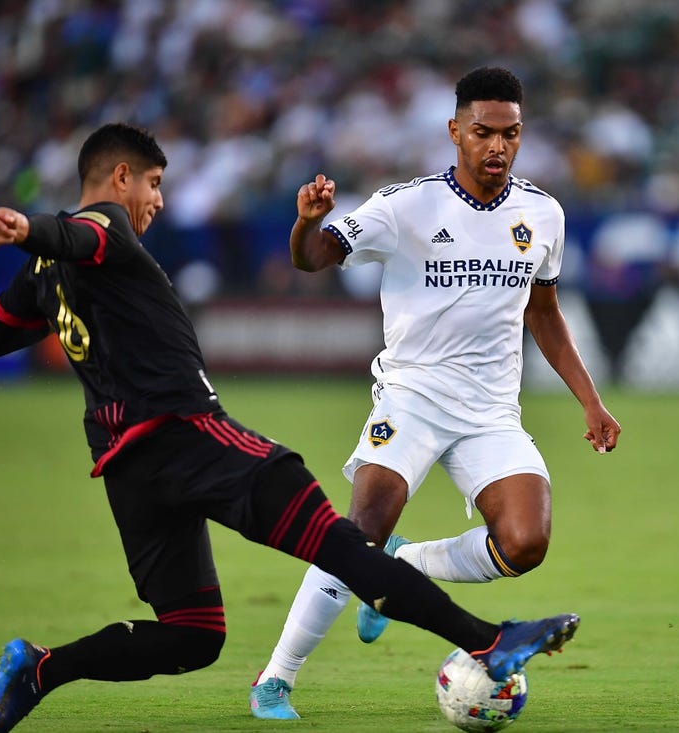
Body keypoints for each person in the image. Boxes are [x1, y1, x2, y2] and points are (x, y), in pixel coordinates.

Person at [0, 122, 580, 733]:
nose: (157, 200)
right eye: (153, 184)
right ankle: (489, 641)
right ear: (121, 177)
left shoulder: (48, 271)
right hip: (188, 434)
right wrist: (28, 229)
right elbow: (85, 230)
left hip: (125, 465)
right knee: (343, 544)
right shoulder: (107, 230)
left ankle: (39, 670)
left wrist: (52, 295)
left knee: (192, 634)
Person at [249, 66, 619, 720]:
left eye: (510, 133)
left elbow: (545, 313)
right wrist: (307, 225)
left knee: (527, 540)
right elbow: (314, 260)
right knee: (356, 533)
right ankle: (275, 678)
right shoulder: (405, 206)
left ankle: (406, 564)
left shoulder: (543, 214)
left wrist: (590, 400)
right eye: (483, 132)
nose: (497, 146)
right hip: (412, 399)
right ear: (455, 131)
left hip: (491, 410)